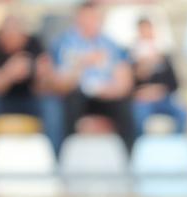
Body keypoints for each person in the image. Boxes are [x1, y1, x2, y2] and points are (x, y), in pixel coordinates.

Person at [0, 14, 64, 156]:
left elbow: (47, 86)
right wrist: (9, 73)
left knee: (52, 105)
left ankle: (55, 158)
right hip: (1, 100)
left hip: (29, 99)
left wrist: (41, 75)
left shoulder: (34, 43)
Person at [51, 2, 137, 148]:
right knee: (67, 104)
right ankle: (65, 153)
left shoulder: (110, 44)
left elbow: (124, 82)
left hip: (106, 95)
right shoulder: (64, 43)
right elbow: (59, 84)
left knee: (126, 107)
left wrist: (110, 90)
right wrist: (82, 63)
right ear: (78, 19)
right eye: (86, 18)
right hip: (77, 94)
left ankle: (129, 156)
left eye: (94, 18)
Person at [130, 16, 186, 134]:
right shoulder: (130, 56)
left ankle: (175, 145)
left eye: (148, 30)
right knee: (138, 116)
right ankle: (140, 146)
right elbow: (127, 85)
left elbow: (175, 84)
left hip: (163, 98)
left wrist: (159, 90)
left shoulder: (164, 56)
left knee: (182, 114)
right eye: (143, 30)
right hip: (142, 100)